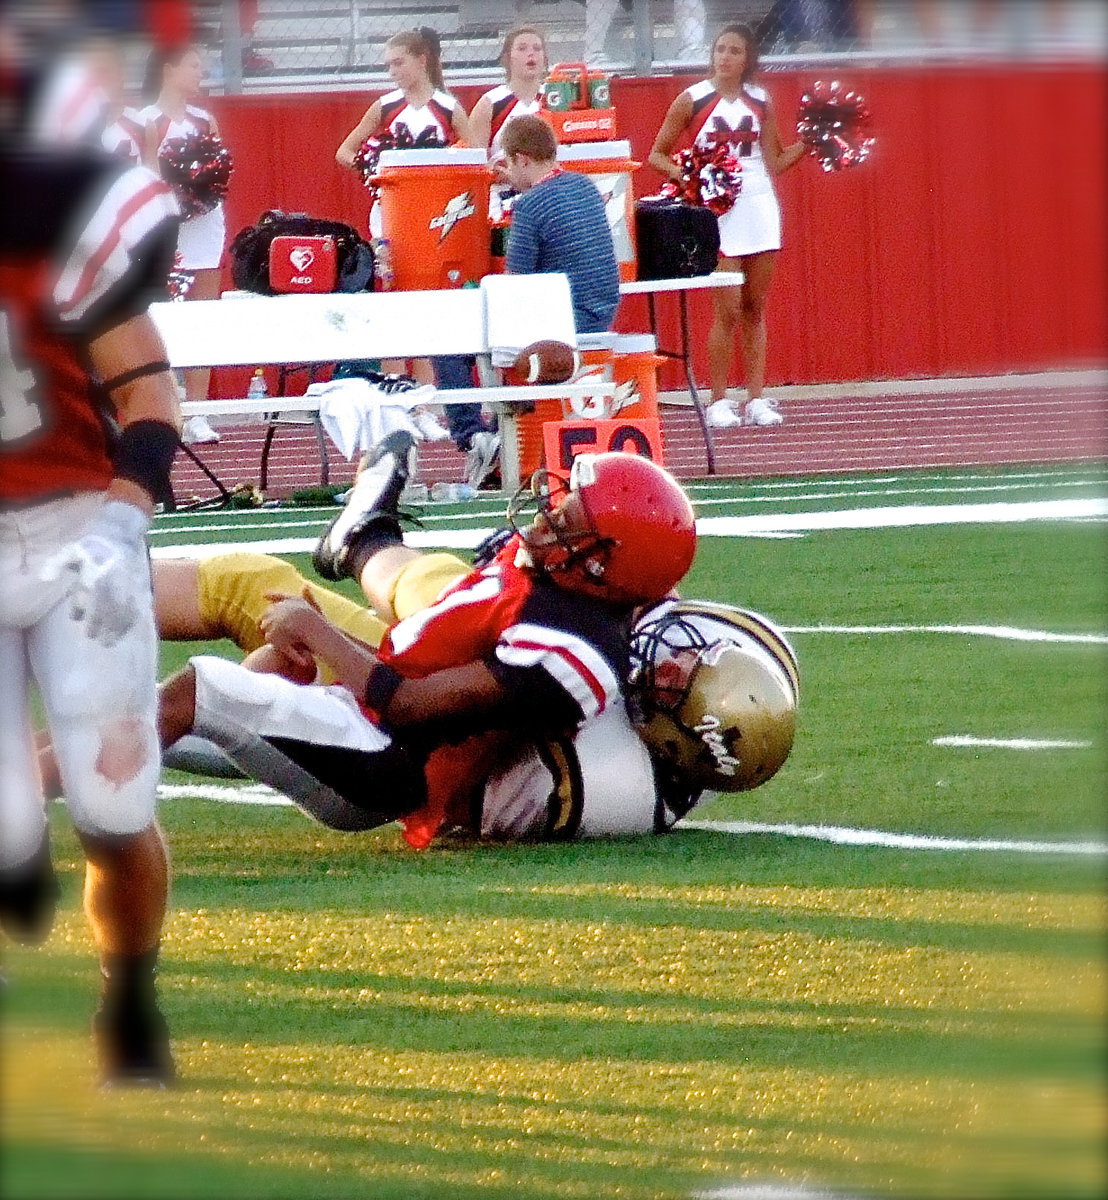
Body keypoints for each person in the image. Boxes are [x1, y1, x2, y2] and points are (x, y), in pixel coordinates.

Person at [0, 10, 182, 1086]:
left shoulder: (57, 227)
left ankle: (132, 1000)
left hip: (74, 534)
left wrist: (123, 519)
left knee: (115, 808)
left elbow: (149, 395)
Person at [145, 553, 797, 844]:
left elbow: (423, 712)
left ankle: (61, 622)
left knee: (248, 604)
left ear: (668, 736)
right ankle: (366, 539)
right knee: (433, 582)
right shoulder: (742, 695)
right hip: (446, 697)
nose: (669, 659)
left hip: (418, 743)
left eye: (673, 681)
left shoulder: (611, 781)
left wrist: (322, 639)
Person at [648, 23, 806, 429]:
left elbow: (775, 161)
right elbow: (657, 154)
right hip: (716, 210)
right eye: (720, 49)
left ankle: (756, 398)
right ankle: (718, 399)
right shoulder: (692, 99)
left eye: (734, 51)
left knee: (755, 308)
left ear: (747, 59)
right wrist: (691, 178)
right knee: (727, 310)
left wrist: (814, 140)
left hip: (759, 203)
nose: (725, 57)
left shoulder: (761, 100)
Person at [336, 27, 470, 447]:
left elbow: (474, 158)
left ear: (422, 60)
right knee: (395, 310)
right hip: (388, 223)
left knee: (428, 312)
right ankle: (397, 405)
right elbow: (345, 152)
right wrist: (377, 175)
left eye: (399, 62)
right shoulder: (385, 107)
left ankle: (424, 406)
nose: (392, 71)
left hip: (435, 227)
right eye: (388, 64)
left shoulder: (449, 108)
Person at [140, 42, 227, 445]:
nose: (199, 72)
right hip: (162, 230)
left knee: (204, 319)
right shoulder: (145, 121)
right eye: (192, 65)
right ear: (168, 68)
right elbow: (143, 179)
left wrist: (199, 197)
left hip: (204, 227)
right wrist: (173, 200)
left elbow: (220, 174)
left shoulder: (204, 120)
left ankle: (199, 412)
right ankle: (162, 408)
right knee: (156, 320)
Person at [502, 114, 621, 335]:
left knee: (459, 343)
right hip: (603, 313)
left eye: (510, 163)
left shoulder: (529, 205)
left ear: (522, 159)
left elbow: (515, 285)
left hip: (563, 318)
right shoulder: (585, 186)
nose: (509, 171)